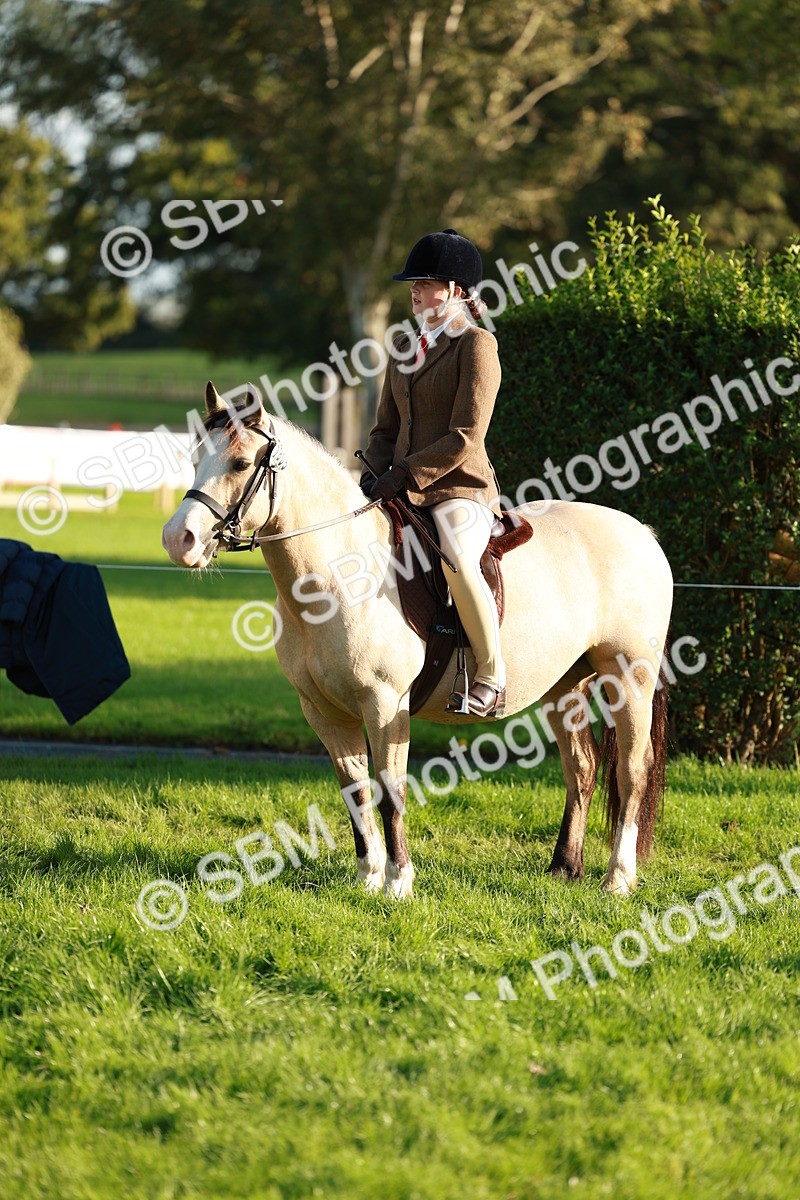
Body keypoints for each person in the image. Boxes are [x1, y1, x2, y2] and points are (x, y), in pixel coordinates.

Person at [360, 227, 507, 718]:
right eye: (413, 282)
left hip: (459, 488)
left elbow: (467, 435)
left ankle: (491, 674)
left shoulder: (477, 345)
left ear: (457, 292)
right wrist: (370, 475)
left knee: (457, 558)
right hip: (401, 485)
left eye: (425, 282)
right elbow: (385, 429)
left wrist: (404, 473)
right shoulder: (404, 346)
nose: (414, 290)